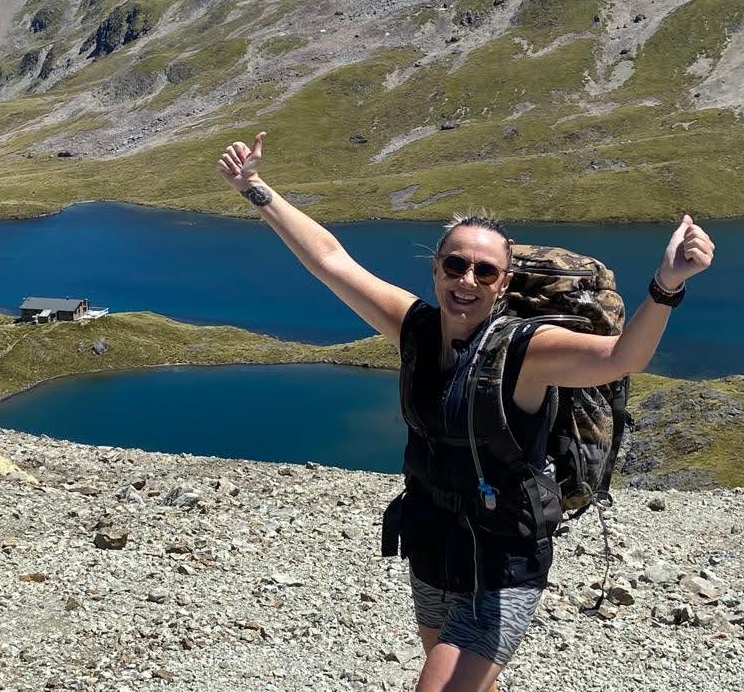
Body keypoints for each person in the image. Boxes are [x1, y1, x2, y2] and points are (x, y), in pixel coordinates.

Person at [216, 132, 715, 692]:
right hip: (432, 537)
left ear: (503, 285)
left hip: (504, 558)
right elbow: (331, 259)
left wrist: (666, 285)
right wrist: (255, 188)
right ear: (436, 269)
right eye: (456, 265)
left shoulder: (527, 350)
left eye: (485, 272)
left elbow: (622, 356)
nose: (467, 280)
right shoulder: (416, 329)